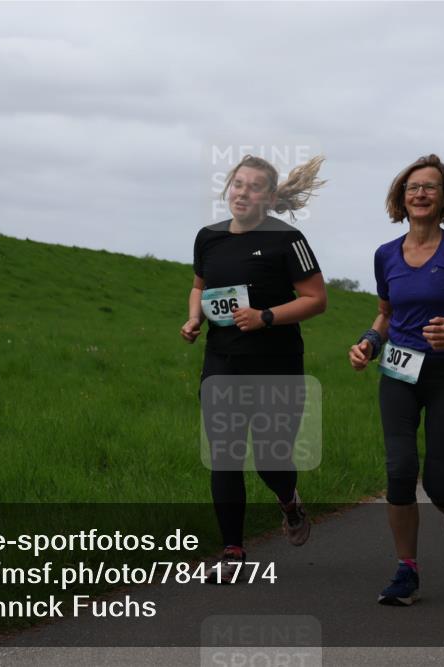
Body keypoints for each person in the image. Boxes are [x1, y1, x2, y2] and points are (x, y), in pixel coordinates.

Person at [348, 154, 444, 605]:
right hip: (398, 372)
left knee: (439, 483)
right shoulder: (385, 255)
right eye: (413, 187)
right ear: (401, 197)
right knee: (399, 471)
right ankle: (406, 570)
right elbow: (386, 313)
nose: (421, 193)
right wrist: (370, 341)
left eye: (430, 187)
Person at [181, 154, 328, 583]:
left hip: (275, 364)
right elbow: (199, 287)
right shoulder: (208, 237)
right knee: (224, 456)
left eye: (254, 187)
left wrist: (265, 316)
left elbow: (316, 299)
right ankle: (232, 552)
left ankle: (289, 502)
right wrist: (194, 318)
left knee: (269, 458)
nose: (243, 193)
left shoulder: (288, 239)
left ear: (269, 196)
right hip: (222, 361)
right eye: (238, 184)